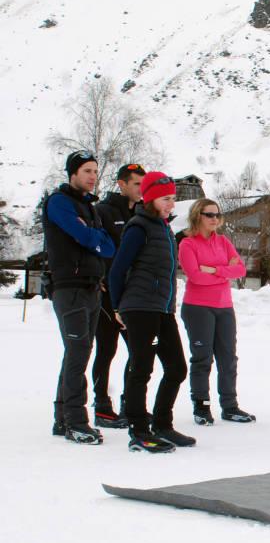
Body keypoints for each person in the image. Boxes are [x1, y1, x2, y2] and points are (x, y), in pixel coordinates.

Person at [107, 172, 192, 453]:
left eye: (173, 199)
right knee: (141, 367)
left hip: (162, 308)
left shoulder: (164, 229)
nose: (172, 204)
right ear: (150, 198)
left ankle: (162, 424)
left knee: (177, 368)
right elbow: (118, 269)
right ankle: (139, 430)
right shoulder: (139, 227)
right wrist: (117, 306)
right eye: (166, 199)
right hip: (140, 307)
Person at [42, 150, 115, 444]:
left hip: (91, 287)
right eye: (87, 171)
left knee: (79, 352)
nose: (93, 176)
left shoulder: (91, 208)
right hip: (69, 287)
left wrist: (92, 237)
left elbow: (108, 246)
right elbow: (85, 237)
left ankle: (62, 418)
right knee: (78, 353)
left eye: (95, 171)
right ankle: (76, 421)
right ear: (72, 173)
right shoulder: (59, 202)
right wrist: (92, 238)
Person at [177, 198, 254, 425]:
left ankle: (230, 407)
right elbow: (195, 277)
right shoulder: (188, 244)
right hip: (198, 308)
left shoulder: (223, 242)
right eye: (209, 214)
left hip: (224, 307)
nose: (214, 219)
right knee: (202, 359)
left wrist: (213, 270)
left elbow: (240, 269)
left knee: (228, 359)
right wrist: (224, 272)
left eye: (217, 215)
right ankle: (202, 407)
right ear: (197, 216)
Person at [92, 163, 146, 427]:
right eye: (136, 183)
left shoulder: (145, 214)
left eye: (143, 184)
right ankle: (102, 405)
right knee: (106, 349)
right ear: (122, 184)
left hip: (133, 296)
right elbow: (94, 245)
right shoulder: (102, 211)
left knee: (138, 351)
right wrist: (100, 275)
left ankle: (130, 404)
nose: (140, 189)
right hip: (107, 295)